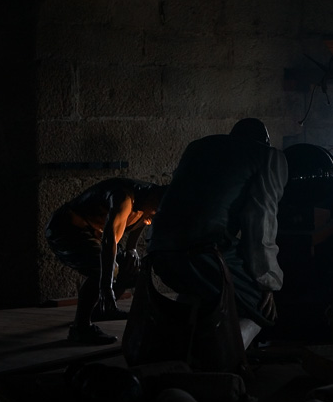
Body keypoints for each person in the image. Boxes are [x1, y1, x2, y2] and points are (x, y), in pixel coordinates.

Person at [146, 118, 288, 352]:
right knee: (260, 309)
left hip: (159, 250)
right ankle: (221, 359)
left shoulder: (197, 147)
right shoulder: (267, 156)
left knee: (196, 292)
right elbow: (260, 223)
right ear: (266, 141)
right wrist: (268, 281)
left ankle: (182, 354)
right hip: (203, 252)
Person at [45, 178, 166, 344]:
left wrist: (132, 249)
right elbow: (109, 242)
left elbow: (143, 219)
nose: (151, 219)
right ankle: (80, 329)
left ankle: (103, 309)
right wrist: (106, 286)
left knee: (129, 268)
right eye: (153, 212)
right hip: (66, 228)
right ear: (152, 199)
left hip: (95, 232)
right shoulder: (123, 199)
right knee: (104, 268)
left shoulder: (148, 201)